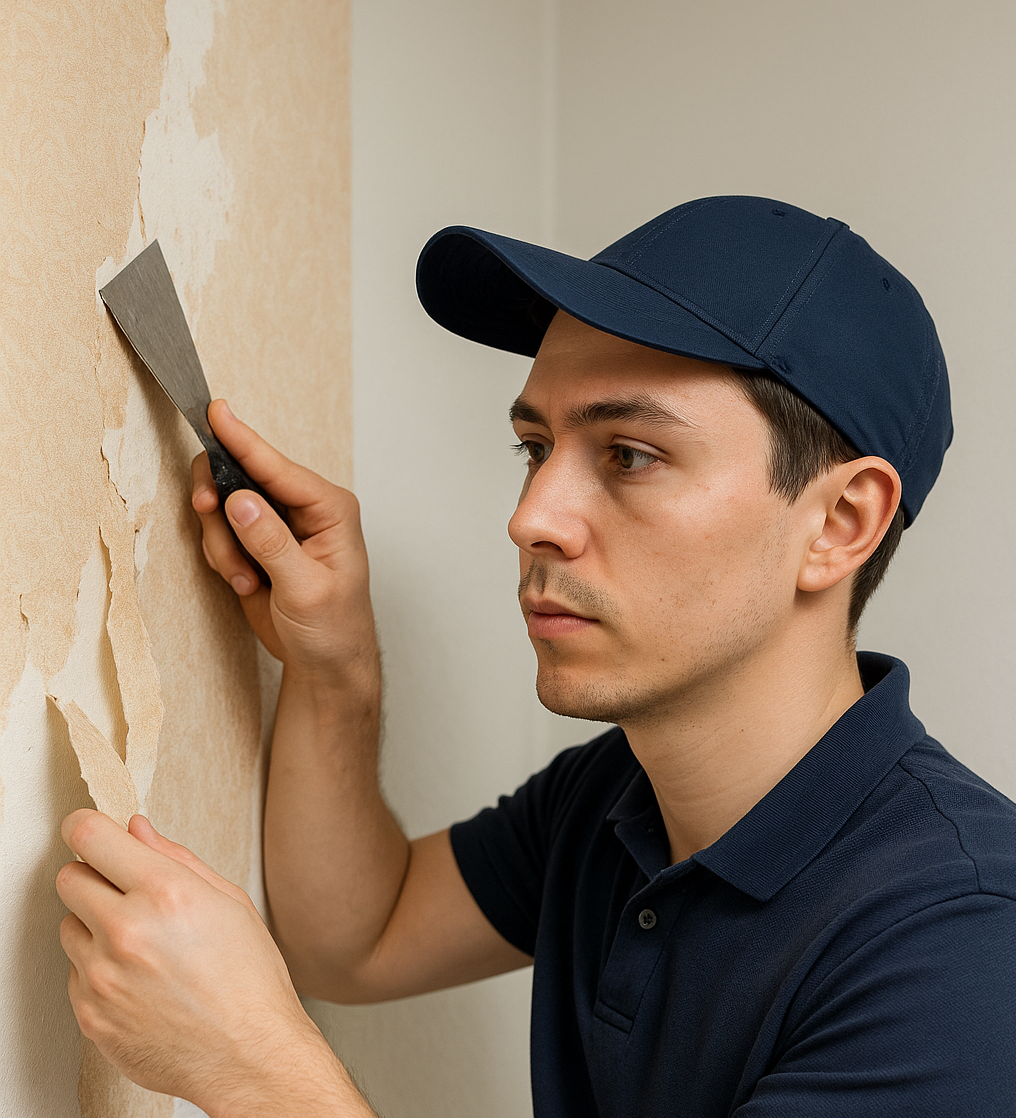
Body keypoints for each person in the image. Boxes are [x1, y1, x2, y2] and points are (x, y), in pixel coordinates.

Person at [56, 196, 1016, 1117]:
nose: (531, 518)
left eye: (630, 454)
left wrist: (256, 1070)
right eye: (535, 447)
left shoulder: (964, 949)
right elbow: (359, 934)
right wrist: (334, 666)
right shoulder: (616, 800)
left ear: (840, 523)